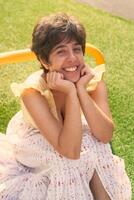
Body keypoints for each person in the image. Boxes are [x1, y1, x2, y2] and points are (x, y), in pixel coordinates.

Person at [0, 12, 131, 200]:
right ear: (45, 61)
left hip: (72, 129)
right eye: (61, 51)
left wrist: (81, 91)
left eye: (77, 49)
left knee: (96, 145)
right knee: (67, 161)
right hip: (36, 135)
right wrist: (70, 93)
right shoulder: (33, 92)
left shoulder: (93, 82)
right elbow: (68, 150)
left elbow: (105, 135)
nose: (72, 58)